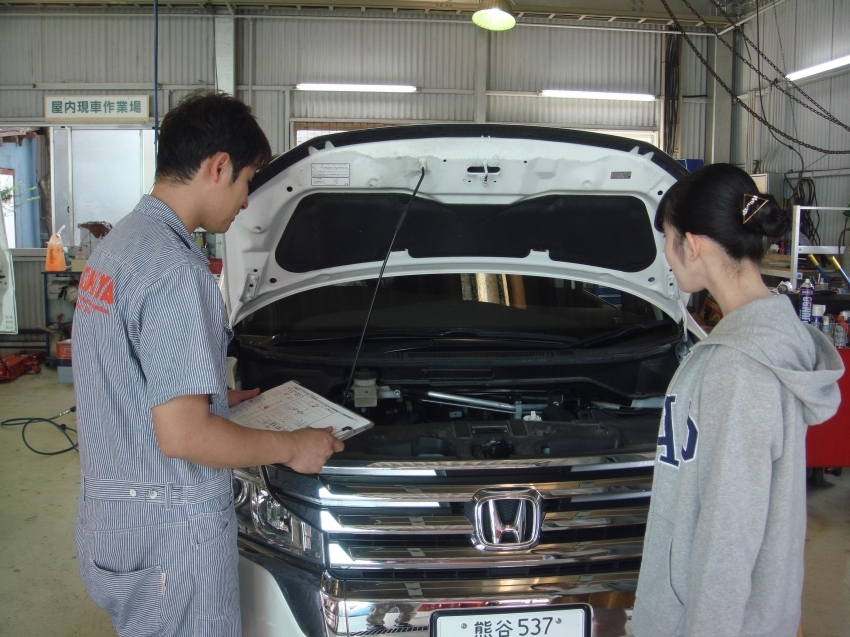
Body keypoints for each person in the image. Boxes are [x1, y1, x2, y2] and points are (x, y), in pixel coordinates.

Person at [72, 90, 344, 637]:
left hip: (113, 526)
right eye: (246, 181)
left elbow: (128, 383)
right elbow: (184, 438)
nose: (245, 202)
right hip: (170, 545)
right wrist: (294, 445)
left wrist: (218, 400)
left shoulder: (120, 246)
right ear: (218, 167)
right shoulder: (176, 269)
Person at [632, 164, 844, 637]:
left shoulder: (738, 368)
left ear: (695, 244)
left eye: (668, 240)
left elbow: (729, 533)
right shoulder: (768, 342)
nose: (667, 256)